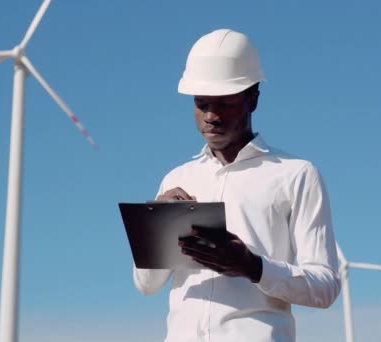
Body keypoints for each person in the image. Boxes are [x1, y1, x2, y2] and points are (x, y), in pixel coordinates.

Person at [133, 29, 341, 342]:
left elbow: (325, 286)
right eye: (202, 104)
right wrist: (155, 227)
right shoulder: (177, 178)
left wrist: (253, 266)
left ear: (253, 99)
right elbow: (146, 285)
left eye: (225, 104)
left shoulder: (296, 174)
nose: (211, 117)